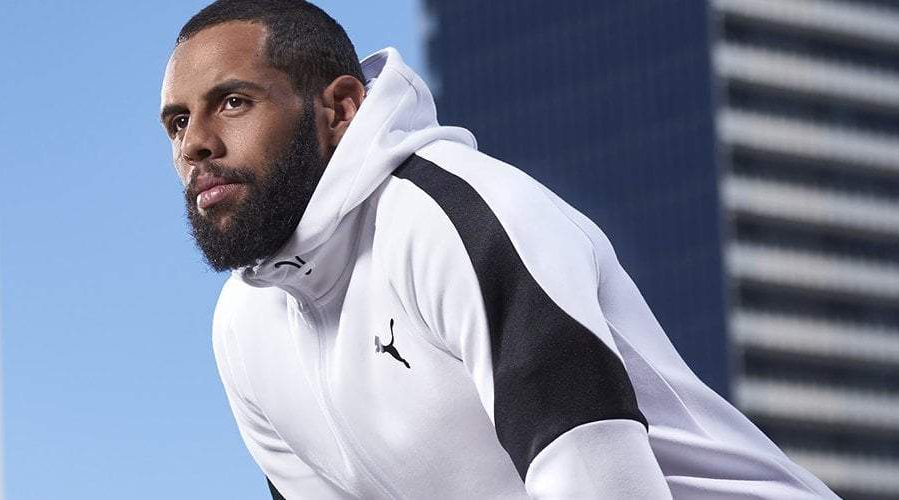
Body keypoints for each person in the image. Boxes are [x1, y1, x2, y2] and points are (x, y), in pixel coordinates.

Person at [160, 1, 839, 498]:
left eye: (234, 103)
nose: (196, 145)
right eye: (178, 122)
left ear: (339, 110)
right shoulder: (244, 327)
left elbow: (598, 483)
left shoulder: (451, 220)